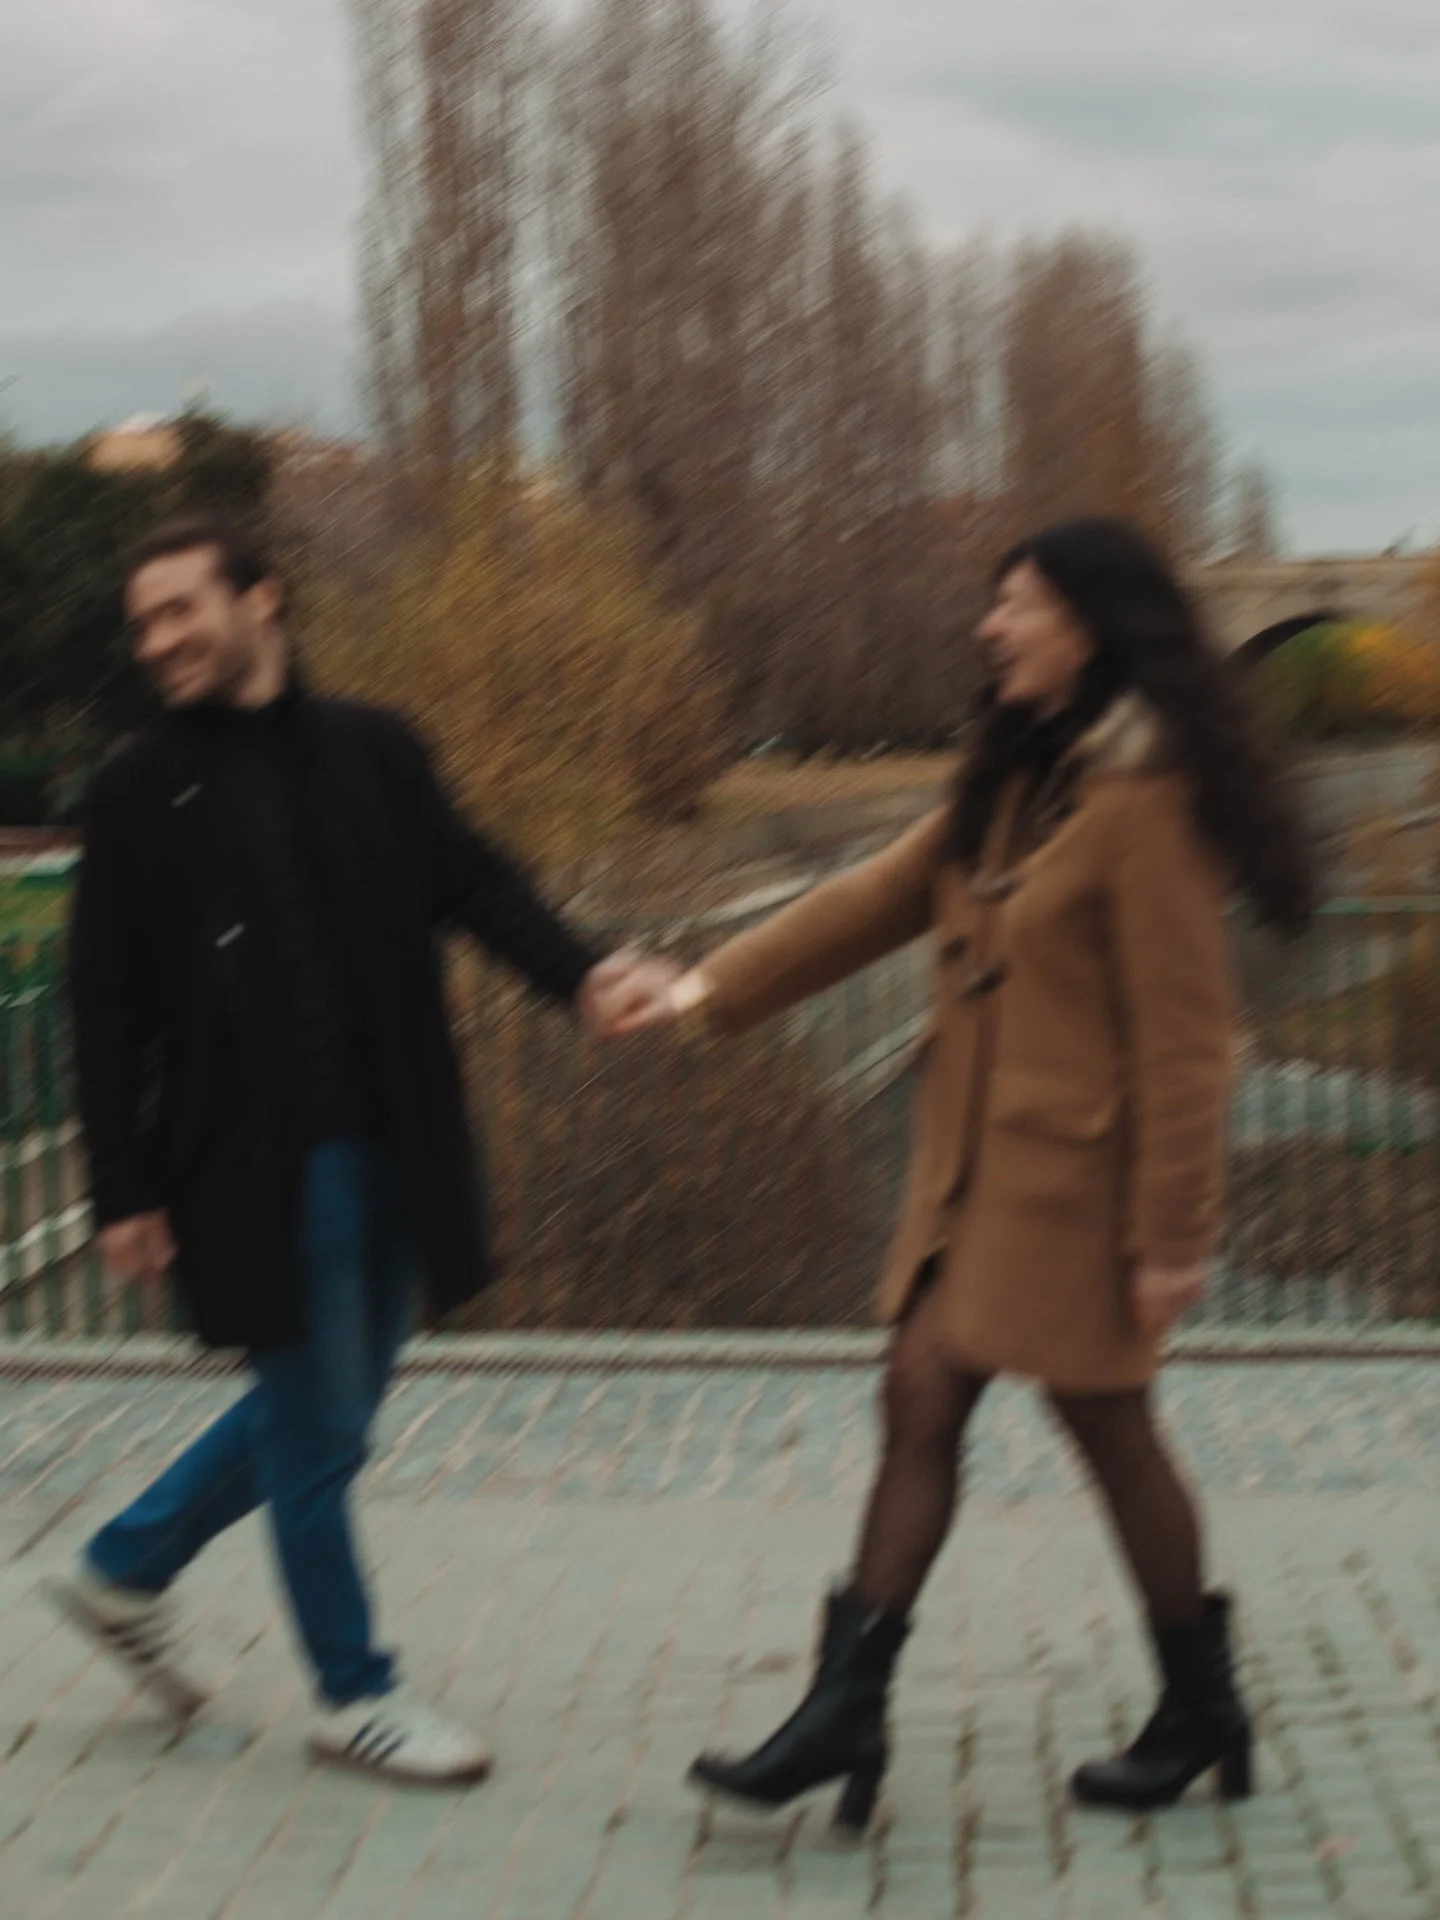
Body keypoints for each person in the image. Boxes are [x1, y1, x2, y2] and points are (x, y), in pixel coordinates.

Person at [613, 518, 1318, 1829]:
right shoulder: (1013, 778)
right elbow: (870, 900)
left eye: (1020, 606)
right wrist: (700, 986)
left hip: (1084, 1193)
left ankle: (1174, 1705)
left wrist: (1174, 1235)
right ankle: (863, 1711)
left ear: (1091, 629)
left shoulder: (1148, 803)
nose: (991, 627)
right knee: (936, 1392)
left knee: (1077, 1420)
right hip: (982, 1176)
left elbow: (1190, 1043)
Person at [50, 514, 666, 1786]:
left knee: (317, 1408)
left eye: (181, 610)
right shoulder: (136, 790)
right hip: (259, 1163)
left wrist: (586, 975)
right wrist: (125, 1186)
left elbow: (476, 882)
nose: (159, 640)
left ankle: (121, 1568)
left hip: (401, 1133)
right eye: (145, 622)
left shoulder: (372, 751)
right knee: (320, 1430)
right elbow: (105, 1006)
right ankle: (353, 1692)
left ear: (261, 600)